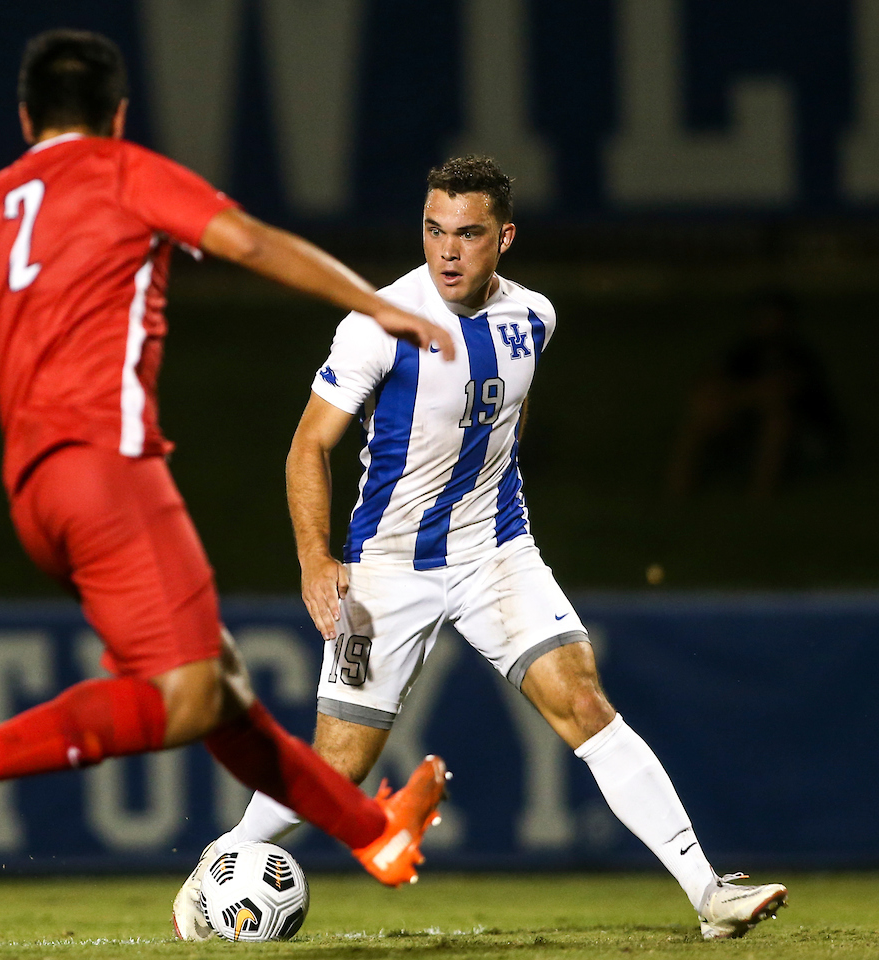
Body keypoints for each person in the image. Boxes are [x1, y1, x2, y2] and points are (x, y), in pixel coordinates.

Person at [0, 29, 453, 888]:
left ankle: (374, 833)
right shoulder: (124, 172)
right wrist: (376, 306)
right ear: (118, 115)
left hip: (35, 495)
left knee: (216, 686)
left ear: (26, 116)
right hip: (110, 473)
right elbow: (249, 242)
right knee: (185, 693)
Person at [172, 156, 788, 942]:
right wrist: (315, 560)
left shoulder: (534, 317)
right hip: (386, 571)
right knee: (339, 768)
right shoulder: (376, 322)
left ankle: (709, 893)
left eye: (468, 234)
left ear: (505, 238)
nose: (448, 251)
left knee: (583, 700)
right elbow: (306, 447)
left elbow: (506, 416)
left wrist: (493, 499)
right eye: (434, 230)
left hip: (496, 554)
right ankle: (221, 864)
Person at [665, 292, 842, 499]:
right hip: (749, 419)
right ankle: (676, 491)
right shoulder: (744, 350)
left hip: (805, 430)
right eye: (762, 317)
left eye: (773, 317)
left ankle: (761, 491)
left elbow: (783, 391)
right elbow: (710, 381)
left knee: (777, 422)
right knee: (701, 417)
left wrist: (737, 397)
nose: (768, 324)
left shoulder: (798, 353)